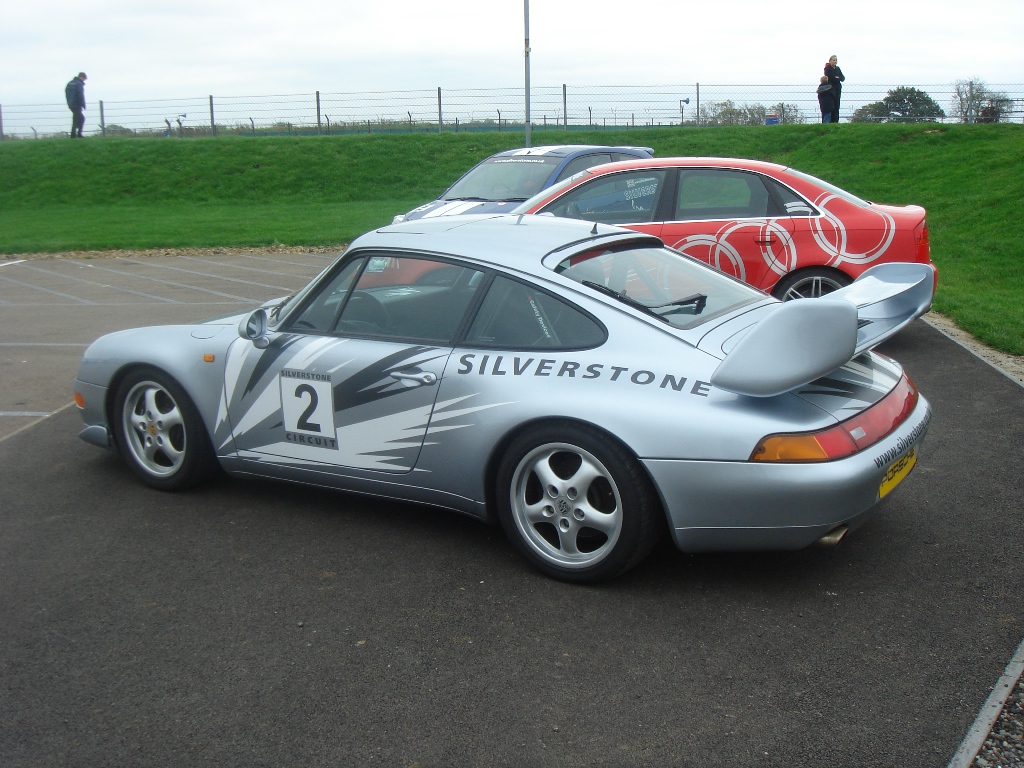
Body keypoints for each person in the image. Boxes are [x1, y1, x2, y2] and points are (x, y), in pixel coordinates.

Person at [65, 72, 87, 138]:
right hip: (77, 104)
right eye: (84, 79)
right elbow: (80, 95)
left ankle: (74, 134)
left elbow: (67, 94)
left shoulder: (70, 83)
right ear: (82, 77)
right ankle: (78, 134)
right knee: (81, 119)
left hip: (71, 104)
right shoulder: (79, 84)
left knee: (76, 119)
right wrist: (83, 104)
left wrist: (70, 103)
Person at [823, 55, 844, 124]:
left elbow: (842, 78)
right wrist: (836, 78)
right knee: (831, 105)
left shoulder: (838, 68)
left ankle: (836, 121)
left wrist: (837, 77)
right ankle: (830, 121)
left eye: (836, 60)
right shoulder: (827, 68)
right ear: (830, 61)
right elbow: (830, 77)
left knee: (837, 105)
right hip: (831, 89)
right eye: (833, 60)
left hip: (838, 88)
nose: (835, 61)